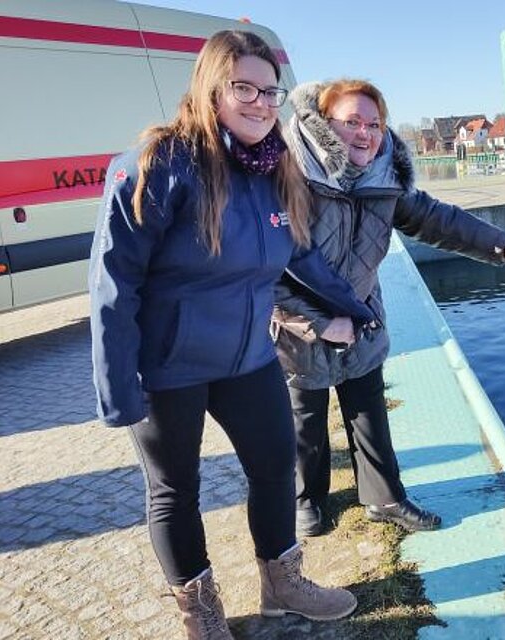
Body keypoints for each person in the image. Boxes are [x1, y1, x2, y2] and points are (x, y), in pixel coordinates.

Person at [89, 31, 365, 640]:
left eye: (270, 91)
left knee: (274, 469)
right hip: (167, 366)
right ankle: (202, 613)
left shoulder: (273, 169)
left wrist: (354, 306)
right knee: (175, 491)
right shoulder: (156, 166)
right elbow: (114, 285)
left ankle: (281, 585)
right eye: (244, 87)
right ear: (211, 87)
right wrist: (117, 387)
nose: (261, 103)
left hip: (246, 357)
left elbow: (302, 255)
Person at [275, 79, 505, 536]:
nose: (365, 133)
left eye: (375, 124)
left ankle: (383, 498)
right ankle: (306, 498)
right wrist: (321, 322)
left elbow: (439, 221)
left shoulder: (384, 181)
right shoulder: (285, 176)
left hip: (361, 315)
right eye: (351, 122)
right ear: (324, 125)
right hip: (297, 324)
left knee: (367, 409)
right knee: (304, 416)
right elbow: (264, 270)